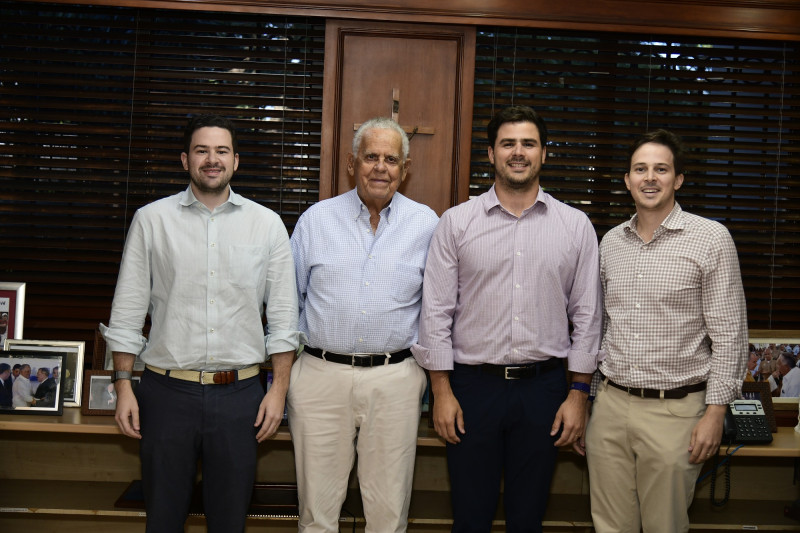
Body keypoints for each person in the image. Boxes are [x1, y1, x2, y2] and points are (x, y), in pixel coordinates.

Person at [104, 114, 301, 533]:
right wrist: (123, 386)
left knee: (230, 522)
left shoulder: (266, 224)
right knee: (163, 520)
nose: (212, 159)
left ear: (235, 161)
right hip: (165, 394)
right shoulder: (151, 220)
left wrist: (278, 390)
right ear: (185, 160)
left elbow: (284, 319)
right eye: (201, 150)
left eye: (221, 151)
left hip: (240, 398)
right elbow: (127, 313)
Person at [413, 105, 602, 532]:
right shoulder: (456, 223)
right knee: (470, 516)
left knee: (527, 517)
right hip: (471, 390)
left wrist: (578, 395)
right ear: (491, 153)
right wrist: (440, 391)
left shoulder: (575, 226)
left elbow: (588, 317)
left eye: (528, 144)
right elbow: (436, 313)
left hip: (546, 391)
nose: (518, 152)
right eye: (508, 143)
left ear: (544, 154)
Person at [585, 129, 748, 533]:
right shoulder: (610, 244)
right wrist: (588, 401)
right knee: (609, 526)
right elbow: (601, 328)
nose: (650, 177)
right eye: (640, 169)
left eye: (661, 169)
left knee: (665, 527)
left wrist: (715, 413)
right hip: (610, 406)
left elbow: (730, 335)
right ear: (627, 180)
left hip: (675, 413)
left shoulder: (710, 239)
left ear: (678, 179)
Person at [288, 117, 438, 533]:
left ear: (404, 170)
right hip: (320, 376)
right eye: (371, 156)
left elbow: (438, 308)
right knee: (316, 515)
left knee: (389, 515)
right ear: (352, 163)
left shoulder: (427, 225)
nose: (380, 167)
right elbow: (288, 302)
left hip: (395, 380)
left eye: (391, 159)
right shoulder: (316, 220)